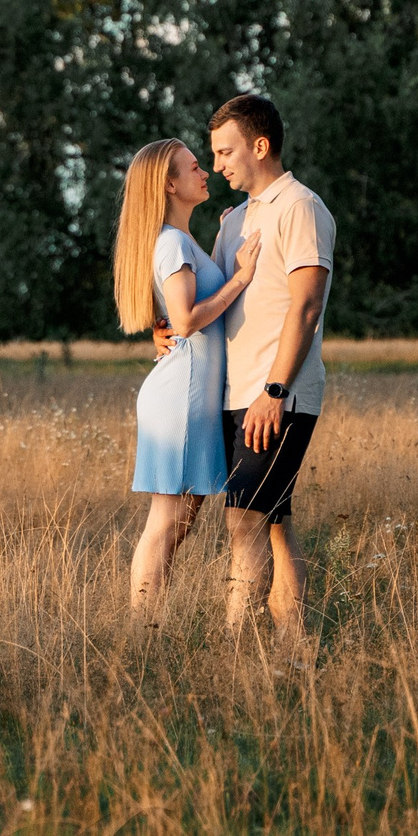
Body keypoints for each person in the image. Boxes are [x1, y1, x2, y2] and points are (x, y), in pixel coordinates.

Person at [162, 93, 335, 639]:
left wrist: (274, 390)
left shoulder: (302, 207)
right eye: (212, 155)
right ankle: (295, 649)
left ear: (260, 146)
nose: (217, 165)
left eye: (225, 151)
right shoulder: (233, 219)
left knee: (244, 520)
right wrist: (165, 327)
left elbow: (305, 306)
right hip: (232, 395)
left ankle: (235, 648)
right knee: (274, 523)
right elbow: (212, 298)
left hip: (277, 396)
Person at [113, 138, 262, 610]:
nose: (206, 173)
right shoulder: (172, 242)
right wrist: (240, 276)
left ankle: (145, 627)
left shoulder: (179, 240)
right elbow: (184, 320)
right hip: (180, 396)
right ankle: (140, 632)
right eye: (195, 167)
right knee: (167, 522)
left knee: (178, 521)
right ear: (170, 184)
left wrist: (223, 245)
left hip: (187, 395)